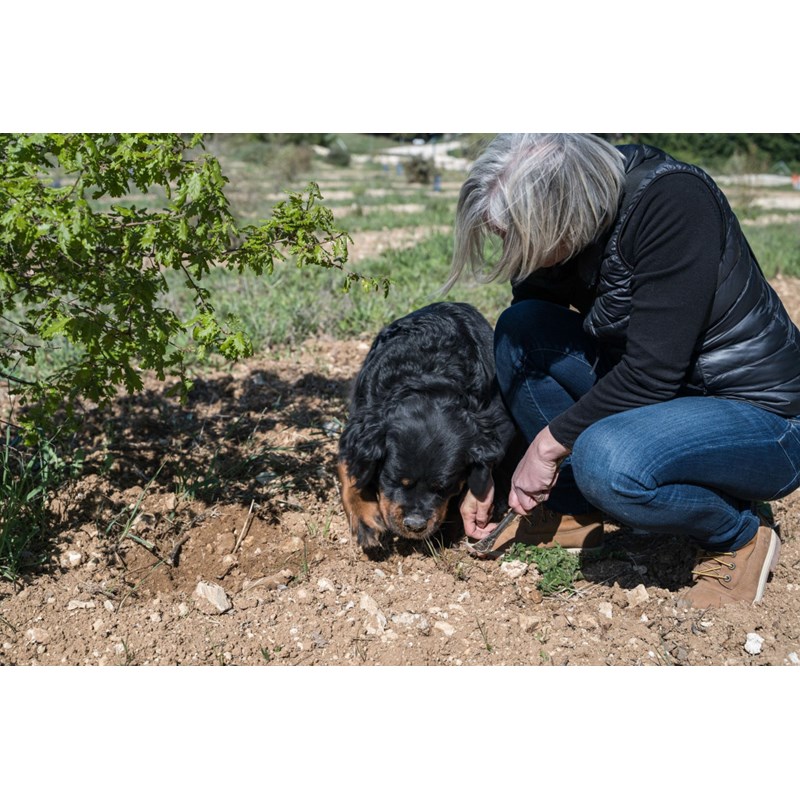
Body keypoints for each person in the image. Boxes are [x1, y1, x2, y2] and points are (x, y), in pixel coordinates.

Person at [448, 133, 800, 608]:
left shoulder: (672, 201)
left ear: (564, 212)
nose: (513, 248)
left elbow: (652, 374)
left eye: (517, 235)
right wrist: (490, 465)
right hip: (665, 396)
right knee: (519, 332)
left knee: (605, 459)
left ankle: (737, 534)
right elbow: (534, 330)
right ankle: (576, 510)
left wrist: (547, 448)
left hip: (762, 416)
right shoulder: (559, 226)